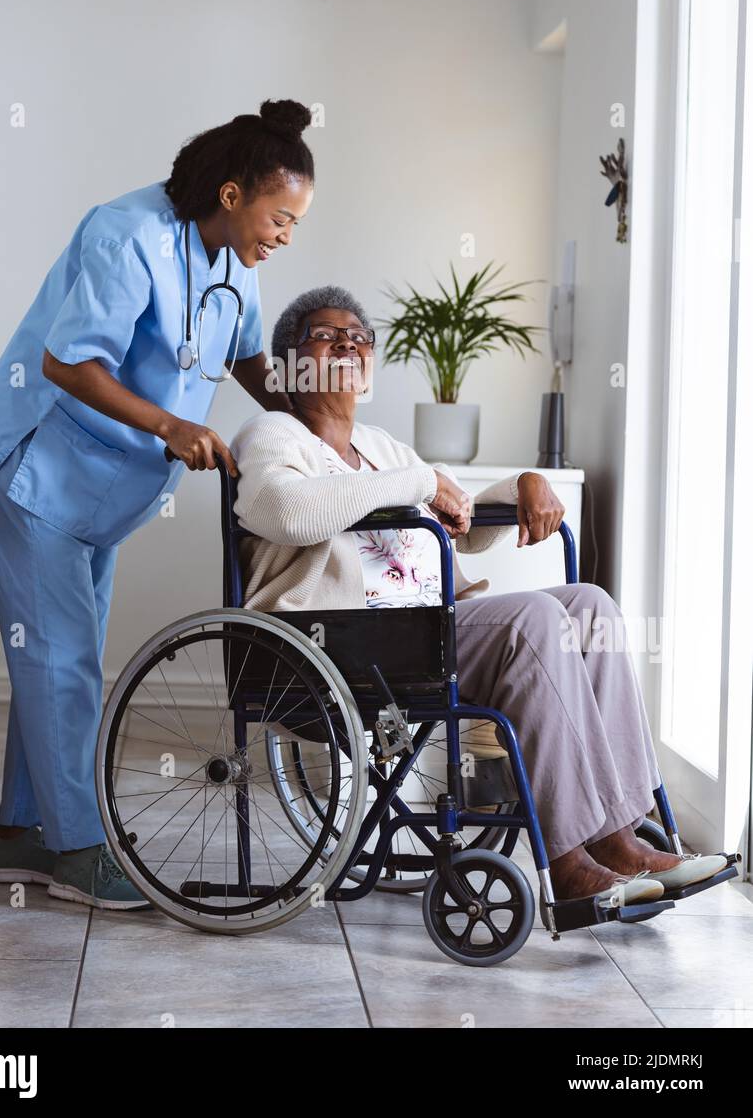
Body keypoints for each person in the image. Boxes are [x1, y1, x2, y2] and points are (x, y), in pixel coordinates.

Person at [230, 285, 728, 907]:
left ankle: (620, 835)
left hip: (421, 632)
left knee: (590, 607)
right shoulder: (272, 434)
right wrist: (419, 481)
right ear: (286, 367)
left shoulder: (382, 448)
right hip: (339, 640)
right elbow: (285, 511)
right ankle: (568, 860)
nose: (350, 345)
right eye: (329, 336)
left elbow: (456, 524)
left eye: (361, 337)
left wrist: (523, 484)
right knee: (534, 619)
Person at [0, 100, 314, 908]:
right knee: (64, 666)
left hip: (107, 488)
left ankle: (20, 838)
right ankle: (81, 850)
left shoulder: (235, 258)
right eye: (280, 217)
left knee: (53, 662)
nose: (284, 236)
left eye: (295, 224)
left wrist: (318, 432)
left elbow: (248, 358)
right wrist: (169, 423)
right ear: (232, 194)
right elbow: (67, 362)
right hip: (41, 467)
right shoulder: (129, 234)